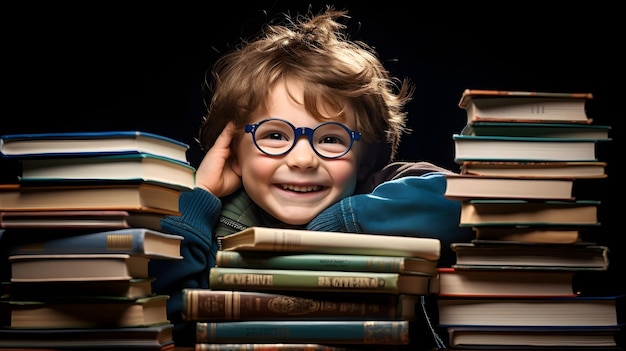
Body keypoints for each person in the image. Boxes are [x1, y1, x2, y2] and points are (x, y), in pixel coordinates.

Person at [150, 6, 472, 346]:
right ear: (233, 154)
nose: (303, 159)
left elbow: (464, 204)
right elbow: (174, 317)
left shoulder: (380, 187)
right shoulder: (214, 225)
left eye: (331, 139)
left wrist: (339, 226)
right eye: (274, 136)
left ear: (364, 160)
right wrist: (201, 194)